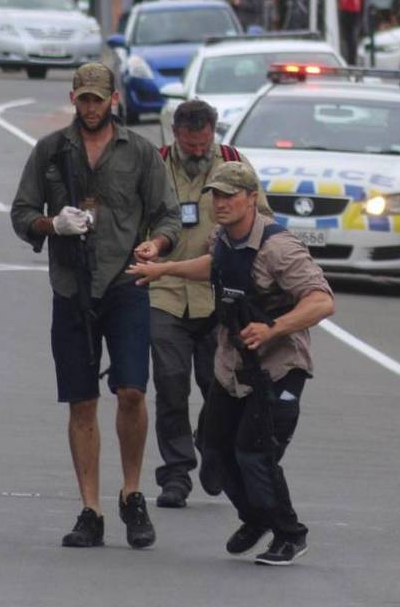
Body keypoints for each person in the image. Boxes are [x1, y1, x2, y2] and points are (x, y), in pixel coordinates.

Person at [128, 161, 335, 566]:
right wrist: (165, 269)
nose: (220, 203)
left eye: (229, 195)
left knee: (254, 453)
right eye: (215, 196)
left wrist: (272, 328)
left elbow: (322, 301)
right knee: (214, 446)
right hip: (234, 364)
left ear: (251, 198)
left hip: (279, 367)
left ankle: (290, 534)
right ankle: (255, 519)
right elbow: (215, 265)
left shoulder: (280, 247)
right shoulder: (222, 238)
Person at [10, 63, 181, 550]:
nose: (89, 107)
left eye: (97, 99)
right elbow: (21, 212)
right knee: (81, 400)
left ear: (113, 100)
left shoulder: (141, 152)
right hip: (71, 287)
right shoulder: (49, 152)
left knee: (131, 391)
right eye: (82, 99)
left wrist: (159, 246)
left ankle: (131, 493)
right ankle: (91, 508)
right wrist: (51, 225)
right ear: (73, 98)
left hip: (126, 282)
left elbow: (168, 214)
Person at [149, 100, 271, 509]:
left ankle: (212, 450)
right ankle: (176, 472)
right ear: (175, 134)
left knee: (218, 389)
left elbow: (264, 222)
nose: (198, 151)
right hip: (164, 291)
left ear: (213, 133)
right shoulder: (157, 164)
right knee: (170, 383)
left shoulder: (235, 166)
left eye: (203, 143)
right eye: (189, 143)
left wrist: (232, 237)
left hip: (218, 298)